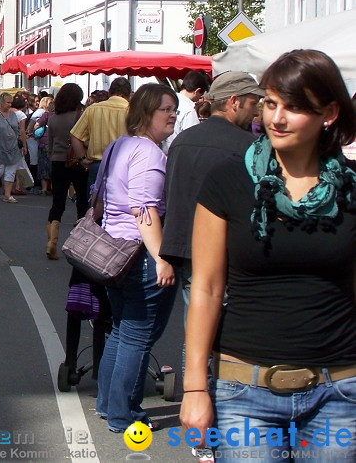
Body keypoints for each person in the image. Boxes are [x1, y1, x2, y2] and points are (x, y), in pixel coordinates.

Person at [181, 50, 356, 461]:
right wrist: (194, 388)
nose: (276, 118)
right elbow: (205, 289)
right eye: (271, 103)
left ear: (328, 113)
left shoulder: (351, 190)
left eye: (293, 107)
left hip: (340, 390)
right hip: (245, 390)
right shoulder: (228, 181)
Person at [160, 71, 262, 463]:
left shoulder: (182, 140)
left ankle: (200, 432)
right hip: (230, 253)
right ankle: (224, 420)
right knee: (229, 338)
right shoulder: (247, 147)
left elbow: (171, 195)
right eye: (253, 103)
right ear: (234, 101)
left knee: (196, 331)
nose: (256, 112)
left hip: (186, 247)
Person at [95, 83, 178, 433]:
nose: (173, 114)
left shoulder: (118, 146)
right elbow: (143, 208)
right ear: (145, 114)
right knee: (136, 336)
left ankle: (107, 405)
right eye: (165, 109)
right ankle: (123, 414)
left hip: (113, 251)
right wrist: (162, 258)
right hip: (139, 253)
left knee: (120, 331)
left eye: (174, 108)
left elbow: (98, 200)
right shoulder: (148, 153)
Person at [45, 84, 90, 259]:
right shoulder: (80, 116)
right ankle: (79, 244)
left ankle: (52, 242)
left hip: (57, 161)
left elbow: (50, 144)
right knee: (82, 203)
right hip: (77, 161)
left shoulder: (53, 119)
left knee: (57, 203)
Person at [70, 77, 132, 190]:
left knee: (94, 204)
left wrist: (82, 159)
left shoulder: (93, 109)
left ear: (110, 92)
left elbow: (75, 136)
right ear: (128, 94)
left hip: (98, 164)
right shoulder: (132, 111)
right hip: (126, 166)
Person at [164, 70, 211, 150]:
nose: (199, 99)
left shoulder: (167, 101)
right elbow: (193, 141)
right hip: (178, 153)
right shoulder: (189, 111)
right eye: (200, 96)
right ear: (197, 91)